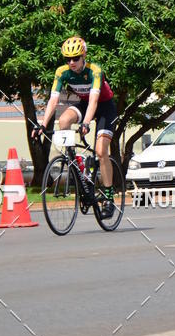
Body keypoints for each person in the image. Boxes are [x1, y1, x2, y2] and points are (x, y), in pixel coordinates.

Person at [32, 36, 118, 218]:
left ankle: (109, 198)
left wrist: (86, 123)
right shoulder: (61, 72)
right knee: (63, 121)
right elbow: (53, 100)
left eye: (76, 58)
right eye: (67, 59)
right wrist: (42, 124)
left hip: (104, 107)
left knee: (101, 151)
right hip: (84, 103)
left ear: (84, 55)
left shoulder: (95, 71)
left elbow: (95, 100)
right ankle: (75, 162)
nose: (71, 62)